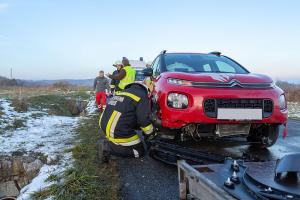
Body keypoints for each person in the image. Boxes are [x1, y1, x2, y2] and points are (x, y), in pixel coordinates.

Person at [98, 77, 155, 162]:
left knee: (131, 137)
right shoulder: (142, 95)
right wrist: (151, 133)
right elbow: (143, 120)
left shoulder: (122, 92)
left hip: (104, 123)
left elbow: (129, 114)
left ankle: (113, 142)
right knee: (139, 151)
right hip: (115, 129)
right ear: (147, 87)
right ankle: (108, 148)